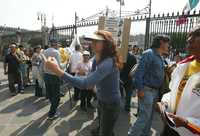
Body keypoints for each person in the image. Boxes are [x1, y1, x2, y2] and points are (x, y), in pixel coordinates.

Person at [45, 30, 123, 136]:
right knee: (104, 126)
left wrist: (58, 71)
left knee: (106, 131)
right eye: (92, 41)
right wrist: (92, 84)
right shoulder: (96, 58)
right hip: (101, 100)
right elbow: (90, 78)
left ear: (106, 44)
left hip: (111, 104)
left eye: (97, 41)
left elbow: (85, 83)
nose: (92, 44)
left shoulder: (108, 62)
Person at [158, 26, 200, 136]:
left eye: (197, 35)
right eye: (189, 35)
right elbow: (174, 93)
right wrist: (164, 104)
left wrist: (187, 123)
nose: (189, 39)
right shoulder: (183, 67)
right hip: (171, 127)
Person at [128, 35, 170, 136]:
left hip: (154, 92)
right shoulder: (149, 53)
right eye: (167, 42)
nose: (168, 45)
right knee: (144, 117)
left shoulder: (159, 55)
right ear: (161, 42)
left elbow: (154, 70)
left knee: (149, 118)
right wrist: (140, 89)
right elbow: (139, 73)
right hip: (147, 91)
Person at [43, 39, 66, 120]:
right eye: (57, 44)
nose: (58, 46)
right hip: (54, 76)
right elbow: (59, 66)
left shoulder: (44, 51)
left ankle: (53, 107)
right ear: (55, 44)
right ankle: (52, 113)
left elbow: (44, 63)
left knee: (50, 94)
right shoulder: (56, 52)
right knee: (56, 96)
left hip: (46, 75)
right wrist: (66, 62)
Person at [120, 44, 137, 112]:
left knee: (119, 93)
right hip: (129, 77)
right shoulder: (133, 57)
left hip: (120, 77)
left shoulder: (119, 56)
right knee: (128, 94)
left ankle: (118, 106)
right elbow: (135, 68)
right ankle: (127, 107)